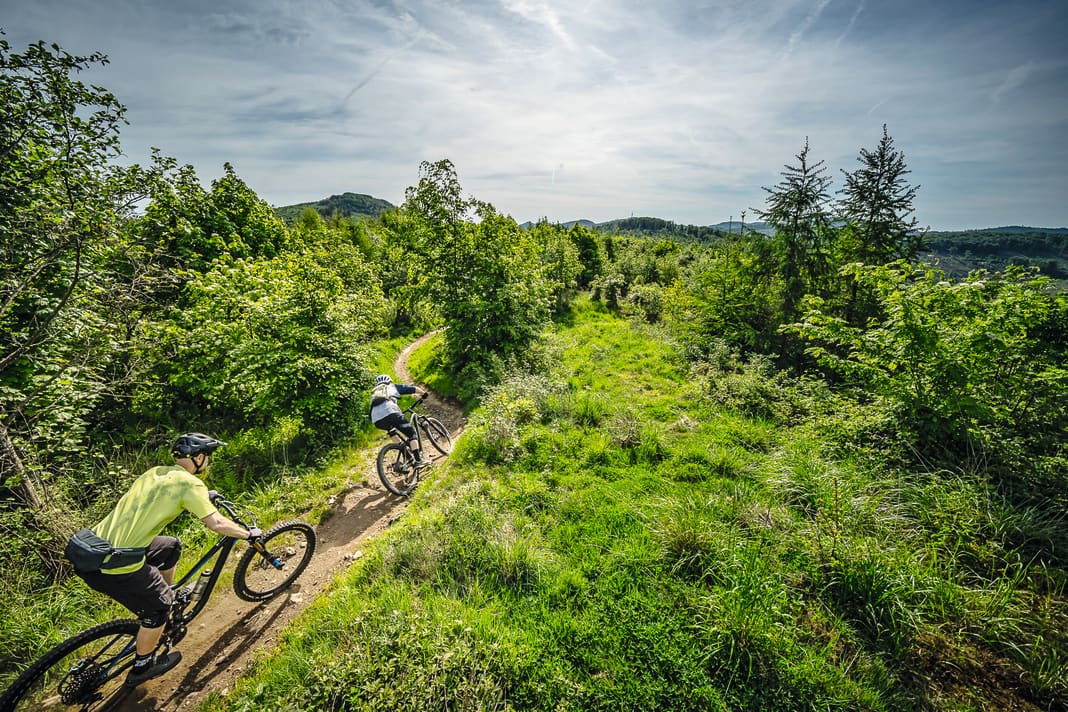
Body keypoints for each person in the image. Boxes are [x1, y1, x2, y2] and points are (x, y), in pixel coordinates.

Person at [66, 433, 261, 687]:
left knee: (169, 546)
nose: (208, 463)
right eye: (208, 459)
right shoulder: (190, 485)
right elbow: (216, 523)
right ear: (199, 458)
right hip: (115, 564)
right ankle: (143, 664)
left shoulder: (155, 472)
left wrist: (204, 498)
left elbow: (162, 496)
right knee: (159, 608)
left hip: (92, 547)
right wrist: (248, 533)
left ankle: (165, 595)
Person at [369, 374, 431, 466]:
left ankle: (408, 457)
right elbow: (412, 389)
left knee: (392, 432)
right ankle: (418, 461)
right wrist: (423, 393)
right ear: (389, 381)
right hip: (391, 412)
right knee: (411, 433)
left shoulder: (374, 394)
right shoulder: (392, 387)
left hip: (377, 420)